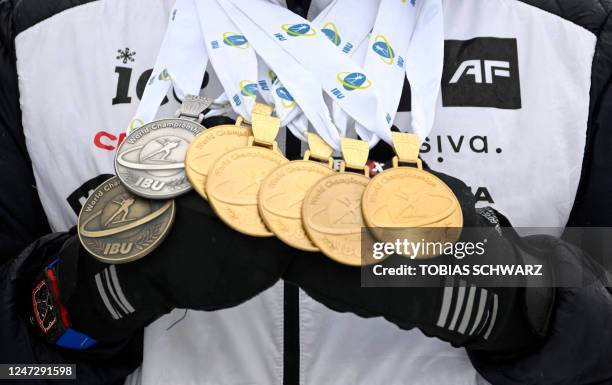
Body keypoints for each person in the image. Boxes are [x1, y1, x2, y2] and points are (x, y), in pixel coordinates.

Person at [0, 1, 611, 384]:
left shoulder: (576, 34)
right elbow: (18, 367)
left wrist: (517, 300)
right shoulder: (35, 31)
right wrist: (76, 301)